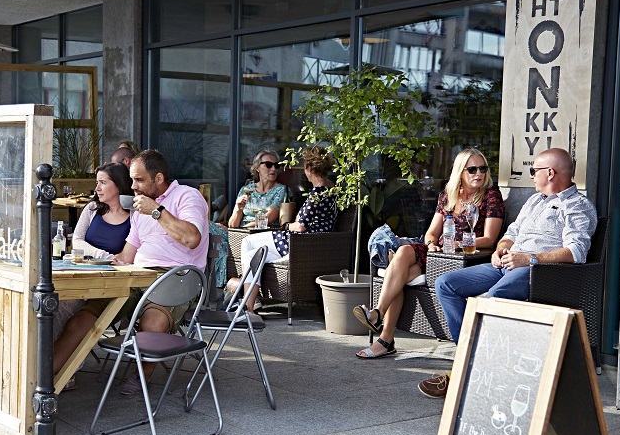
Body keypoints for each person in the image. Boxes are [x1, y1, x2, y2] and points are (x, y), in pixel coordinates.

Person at [419, 148, 597, 398]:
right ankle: (471, 359)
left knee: (492, 299)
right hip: (506, 264)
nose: (532, 176)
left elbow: (577, 252)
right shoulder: (535, 201)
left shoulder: (577, 206)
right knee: (446, 284)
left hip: (538, 272)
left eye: (534, 171)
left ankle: (462, 372)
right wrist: (500, 249)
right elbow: (511, 234)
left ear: (550, 173)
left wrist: (528, 259)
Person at [52, 149, 209, 395]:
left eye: (139, 180)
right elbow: (127, 257)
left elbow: (191, 239)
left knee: (153, 322)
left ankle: (140, 376)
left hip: (175, 280)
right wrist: (97, 263)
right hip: (135, 276)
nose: (133, 187)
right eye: (132, 180)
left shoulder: (186, 197)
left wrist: (157, 211)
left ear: (158, 179)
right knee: (82, 319)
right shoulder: (140, 211)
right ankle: (47, 378)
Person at [352, 148, 504, 358]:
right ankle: (379, 319)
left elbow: (489, 239)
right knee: (404, 253)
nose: (479, 173)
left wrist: (457, 243)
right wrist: (432, 244)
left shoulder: (491, 196)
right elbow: (432, 232)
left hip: (462, 258)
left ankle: (383, 333)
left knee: (395, 274)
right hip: (438, 253)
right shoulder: (448, 196)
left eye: (483, 168)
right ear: (460, 172)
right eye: (472, 169)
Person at [236, 145, 338, 312]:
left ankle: (248, 302)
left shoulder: (316, 194)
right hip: (308, 246)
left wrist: (286, 225)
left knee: (247, 241)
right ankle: (249, 306)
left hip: (297, 244)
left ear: (309, 168)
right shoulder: (330, 190)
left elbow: (299, 227)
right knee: (251, 254)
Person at [71, 162, 132, 259]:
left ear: (119, 185)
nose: (97, 189)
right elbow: (77, 241)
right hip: (84, 268)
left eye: (103, 182)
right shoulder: (92, 208)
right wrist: (103, 256)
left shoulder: (134, 216)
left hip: (117, 271)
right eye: (97, 183)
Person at [228, 148, 289, 228]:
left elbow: (268, 218)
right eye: (268, 165)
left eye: (276, 165)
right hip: (238, 234)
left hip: (260, 233)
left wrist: (243, 230)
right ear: (257, 167)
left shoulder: (280, 190)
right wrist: (238, 208)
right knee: (209, 227)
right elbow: (232, 225)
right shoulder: (247, 189)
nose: (273, 169)